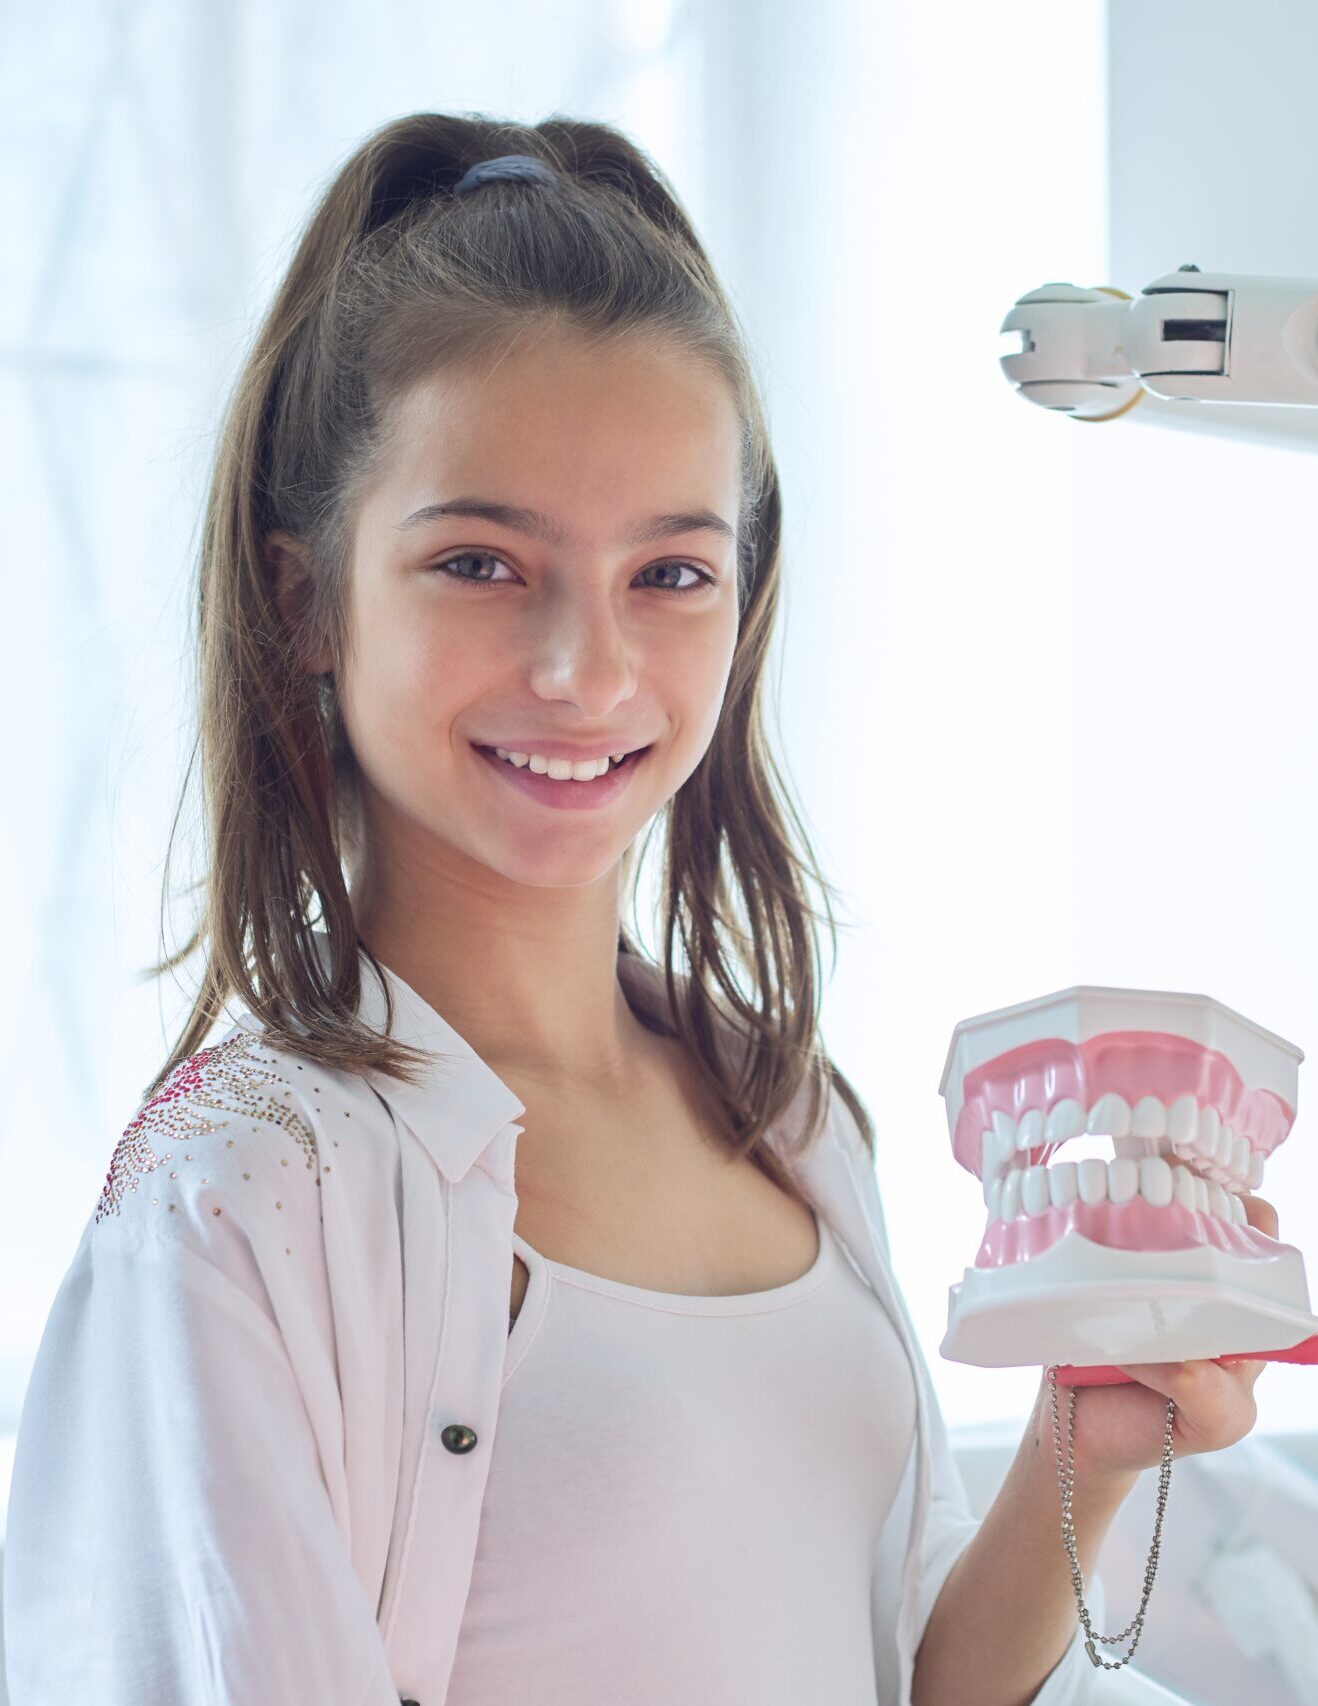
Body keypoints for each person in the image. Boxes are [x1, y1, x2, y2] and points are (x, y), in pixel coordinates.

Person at [1, 113, 1277, 1706]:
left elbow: (908, 1677)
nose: (582, 670)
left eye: (667, 574)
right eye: (479, 562)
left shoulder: (784, 1109)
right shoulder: (241, 1194)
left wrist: (1076, 1446)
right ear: (300, 595)